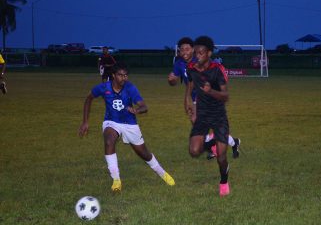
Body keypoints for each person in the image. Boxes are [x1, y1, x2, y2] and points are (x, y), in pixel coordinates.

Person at [79, 62, 175, 192]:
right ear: (113, 75)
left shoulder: (130, 88)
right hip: (111, 121)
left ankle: (163, 174)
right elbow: (88, 99)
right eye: (120, 75)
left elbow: (144, 106)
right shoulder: (103, 87)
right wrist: (85, 121)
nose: (124, 78)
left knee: (144, 154)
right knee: (109, 141)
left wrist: (137, 110)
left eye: (126, 75)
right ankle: (116, 180)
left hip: (130, 124)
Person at [169, 37, 241, 160]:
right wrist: (172, 80)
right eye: (182, 50)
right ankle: (233, 143)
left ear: (193, 49)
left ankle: (215, 147)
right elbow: (175, 79)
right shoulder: (179, 63)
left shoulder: (201, 60)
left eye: (187, 49)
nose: (185, 52)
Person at [185, 36, 234, 196]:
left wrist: (211, 91)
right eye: (196, 53)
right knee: (194, 151)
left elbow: (226, 96)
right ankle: (212, 142)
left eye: (201, 53)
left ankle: (224, 181)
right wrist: (190, 105)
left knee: (221, 157)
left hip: (218, 114)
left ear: (209, 53)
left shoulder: (217, 69)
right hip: (203, 114)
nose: (197, 56)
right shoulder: (191, 68)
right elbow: (189, 87)